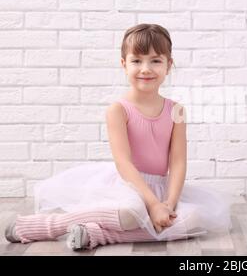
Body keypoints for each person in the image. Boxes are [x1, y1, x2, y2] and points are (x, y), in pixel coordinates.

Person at [4, 23, 232, 251]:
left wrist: (168, 204)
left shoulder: (177, 111)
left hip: (162, 187)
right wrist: (152, 204)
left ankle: (97, 234)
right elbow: (123, 162)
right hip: (129, 184)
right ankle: (49, 226)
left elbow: (178, 162)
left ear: (168, 65)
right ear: (124, 64)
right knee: (132, 213)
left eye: (155, 60)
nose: (146, 68)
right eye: (137, 61)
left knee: (191, 221)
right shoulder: (118, 110)